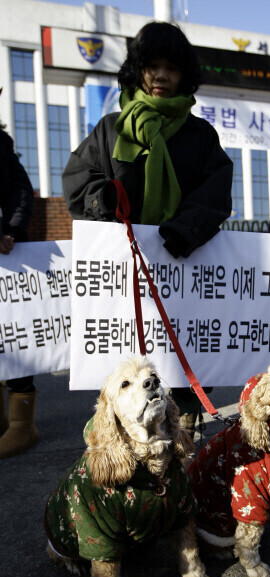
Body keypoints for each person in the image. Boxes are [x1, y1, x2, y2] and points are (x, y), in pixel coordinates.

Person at [62, 21, 233, 438]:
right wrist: (103, 199)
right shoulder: (110, 129)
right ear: (137, 70)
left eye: (171, 68)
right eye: (152, 65)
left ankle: (184, 444)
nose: (161, 76)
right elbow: (78, 182)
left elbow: (216, 193)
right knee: (127, 376)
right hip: (124, 277)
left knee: (182, 367)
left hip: (184, 270)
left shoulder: (201, 136)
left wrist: (182, 231)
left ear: (184, 74)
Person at [0, 127, 39, 458]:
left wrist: (11, 230)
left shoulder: (2, 148)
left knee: (12, 332)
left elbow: (21, 194)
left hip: (7, 257)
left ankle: (21, 426)